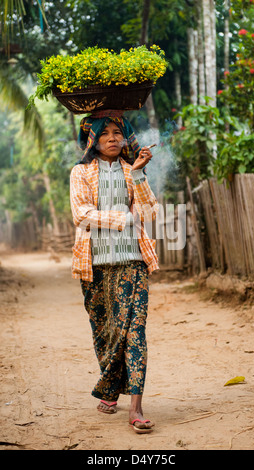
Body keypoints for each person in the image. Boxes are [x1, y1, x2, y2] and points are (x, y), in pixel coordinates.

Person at [70, 110, 159, 434]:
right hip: (94, 266)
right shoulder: (80, 172)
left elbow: (149, 211)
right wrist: (122, 218)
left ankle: (135, 408)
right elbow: (81, 214)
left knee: (135, 332)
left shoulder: (131, 170)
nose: (112, 137)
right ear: (93, 138)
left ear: (125, 138)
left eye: (117, 132)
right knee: (107, 334)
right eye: (104, 132)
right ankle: (109, 389)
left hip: (133, 263)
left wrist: (137, 175)